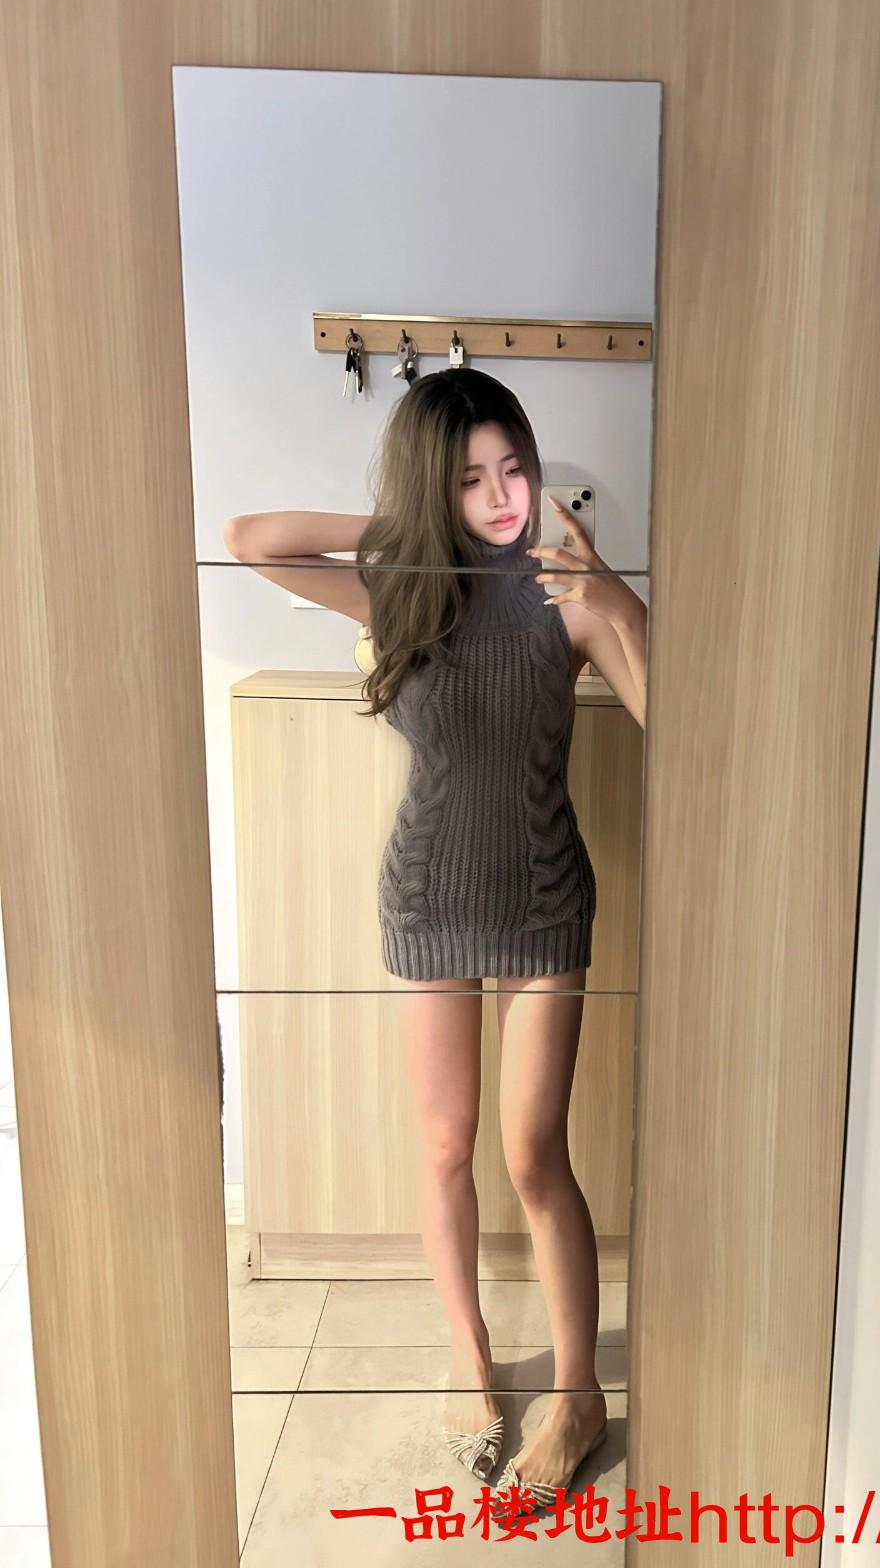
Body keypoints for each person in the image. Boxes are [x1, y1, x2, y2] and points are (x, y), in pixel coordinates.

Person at [223, 367, 647, 1515]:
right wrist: (411, 529)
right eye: (470, 479)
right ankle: (467, 1350)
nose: (505, 495)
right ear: (432, 488)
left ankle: (578, 1394)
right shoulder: (404, 587)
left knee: (533, 1152)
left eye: (514, 467)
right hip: (428, 897)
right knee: (447, 1144)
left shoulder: (565, 591)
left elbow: (678, 714)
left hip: (545, 895)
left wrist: (614, 595)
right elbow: (250, 538)